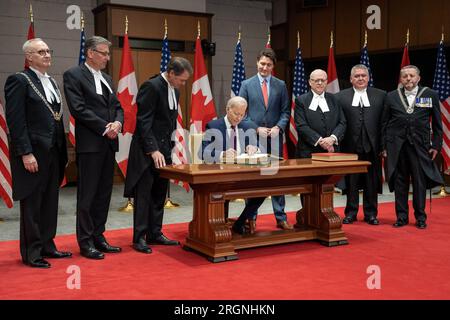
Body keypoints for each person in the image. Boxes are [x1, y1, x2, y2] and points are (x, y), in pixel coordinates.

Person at [4, 38, 71, 268]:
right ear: (29, 57)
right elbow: (16, 120)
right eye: (40, 52)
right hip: (33, 154)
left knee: (50, 202)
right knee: (32, 204)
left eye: (48, 51)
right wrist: (25, 152)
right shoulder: (19, 80)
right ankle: (32, 253)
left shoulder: (51, 81)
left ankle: (47, 245)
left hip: (54, 152)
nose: (47, 55)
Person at [63, 36, 124, 259]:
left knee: (103, 194)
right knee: (87, 196)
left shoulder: (106, 77)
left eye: (108, 54)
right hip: (91, 144)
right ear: (90, 53)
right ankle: (86, 241)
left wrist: (118, 123)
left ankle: (99, 236)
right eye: (104, 53)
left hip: (109, 143)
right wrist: (103, 127)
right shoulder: (74, 75)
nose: (108, 57)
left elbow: (117, 106)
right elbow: (78, 109)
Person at [124, 57, 192, 254]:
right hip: (147, 151)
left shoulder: (175, 90)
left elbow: (169, 123)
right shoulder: (151, 87)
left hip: (164, 151)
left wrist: (171, 147)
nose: (183, 84)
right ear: (171, 73)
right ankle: (139, 237)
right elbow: (143, 122)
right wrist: (152, 150)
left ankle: (155, 232)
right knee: (144, 195)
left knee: (159, 193)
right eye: (182, 79)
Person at [381, 65, 443, 229]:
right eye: (405, 76)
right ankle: (401, 217)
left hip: (420, 146)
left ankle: (420, 217)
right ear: (401, 79)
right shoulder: (391, 96)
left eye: (411, 76)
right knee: (400, 182)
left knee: (419, 182)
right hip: (397, 147)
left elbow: (437, 124)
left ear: (418, 78)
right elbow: (384, 124)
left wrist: (436, 145)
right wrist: (384, 146)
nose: (408, 79)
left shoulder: (430, 94)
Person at [238, 48, 293, 232]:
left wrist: (278, 127)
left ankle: (281, 217)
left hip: (275, 138)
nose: (265, 67)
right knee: (252, 180)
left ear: (273, 66)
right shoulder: (246, 84)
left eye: (268, 65)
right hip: (253, 138)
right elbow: (241, 114)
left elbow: (286, 111)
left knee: (277, 179)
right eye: (262, 64)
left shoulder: (280, 85)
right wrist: (256, 128)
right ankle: (250, 218)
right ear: (257, 63)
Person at [335, 64, 386, 225]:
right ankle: (351, 213)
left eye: (363, 75)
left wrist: (383, 146)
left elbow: (384, 123)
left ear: (368, 77)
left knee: (372, 181)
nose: (360, 78)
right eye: (357, 76)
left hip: (373, 147)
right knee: (352, 182)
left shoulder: (381, 95)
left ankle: (371, 214)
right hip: (350, 147)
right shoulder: (340, 97)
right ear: (351, 79)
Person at [294, 69, 346, 158]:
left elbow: (342, 122)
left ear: (326, 82)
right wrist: (321, 141)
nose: (320, 83)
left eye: (323, 80)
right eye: (316, 80)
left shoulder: (335, 99)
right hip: (308, 152)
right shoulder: (301, 100)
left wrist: (332, 139)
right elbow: (301, 126)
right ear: (310, 82)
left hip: (332, 150)